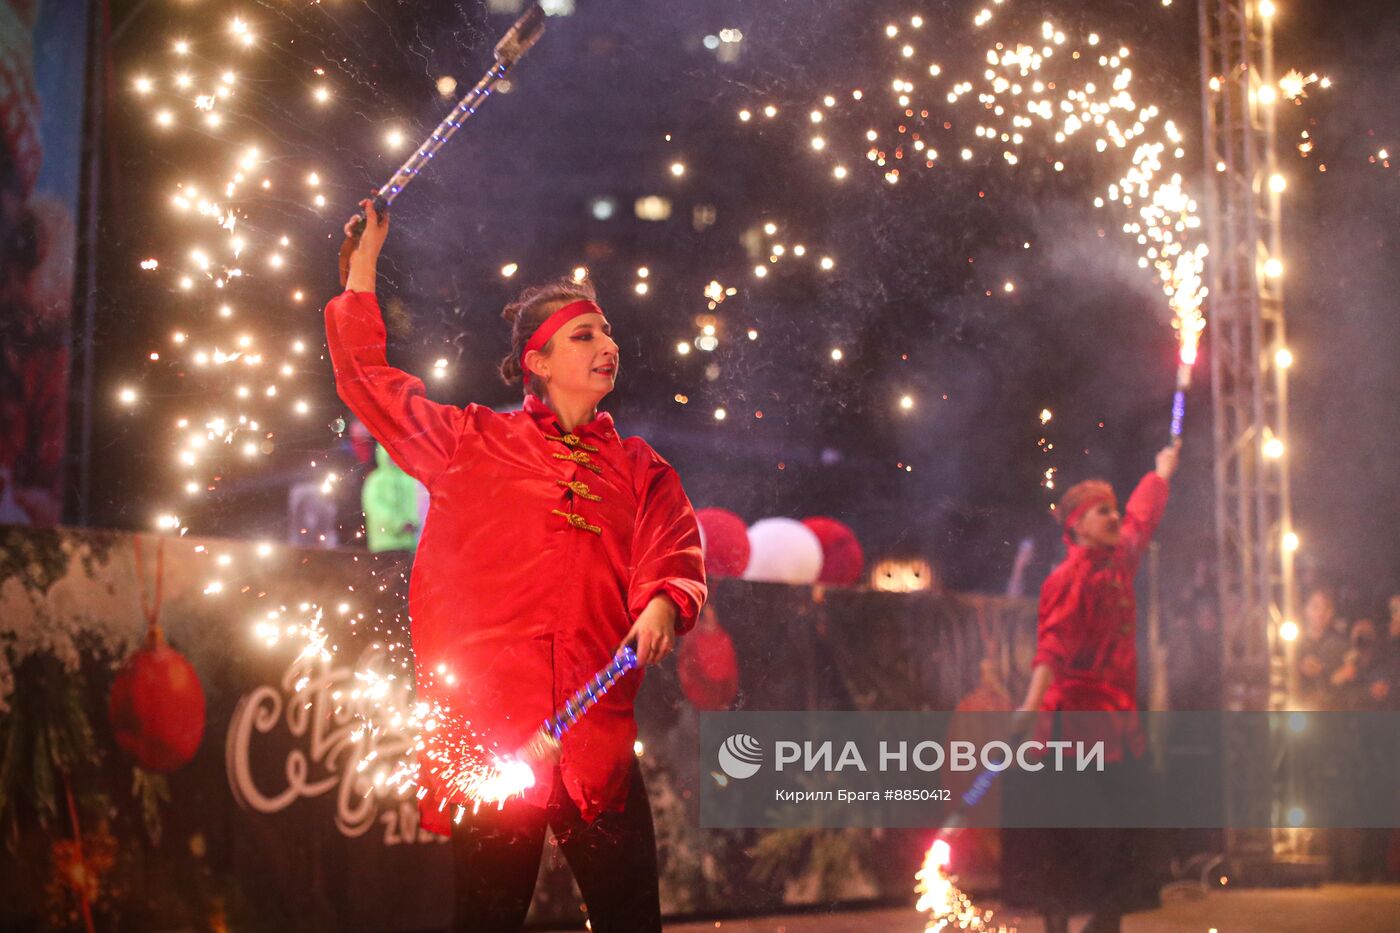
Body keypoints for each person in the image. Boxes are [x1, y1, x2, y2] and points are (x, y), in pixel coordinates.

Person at [326, 202, 707, 932]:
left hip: (594, 746)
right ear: (537, 361)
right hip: (499, 741)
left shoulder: (638, 468)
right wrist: (364, 267)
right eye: (584, 335)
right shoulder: (471, 442)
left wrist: (663, 600)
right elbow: (366, 380)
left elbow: (674, 543)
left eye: (608, 332)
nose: (608, 345)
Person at [1002, 441, 1180, 933]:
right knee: (1072, 834)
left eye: (1114, 509)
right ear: (1076, 523)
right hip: (1071, 727)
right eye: (1103, 511)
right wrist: (1029, 706)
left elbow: (1143, 517)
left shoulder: (1121, 559)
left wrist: (1161, 472)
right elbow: (1052, 650)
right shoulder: (1068, 580)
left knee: (1132, 830)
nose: (1115, 516)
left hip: (1117, 723)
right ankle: (1058, 924)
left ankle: (1105, 923)